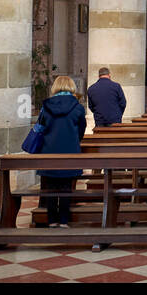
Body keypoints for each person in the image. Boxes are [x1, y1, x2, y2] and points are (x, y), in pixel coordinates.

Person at [36, 75, 86, 227]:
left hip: (49, 150)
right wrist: (74, 140)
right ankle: (64, 220)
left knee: (51, 186)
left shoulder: (46, 107)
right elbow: (81, 130)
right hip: (69, 151)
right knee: (66, 186)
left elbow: (40, 127)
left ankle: (52, 220)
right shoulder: (77, 107)